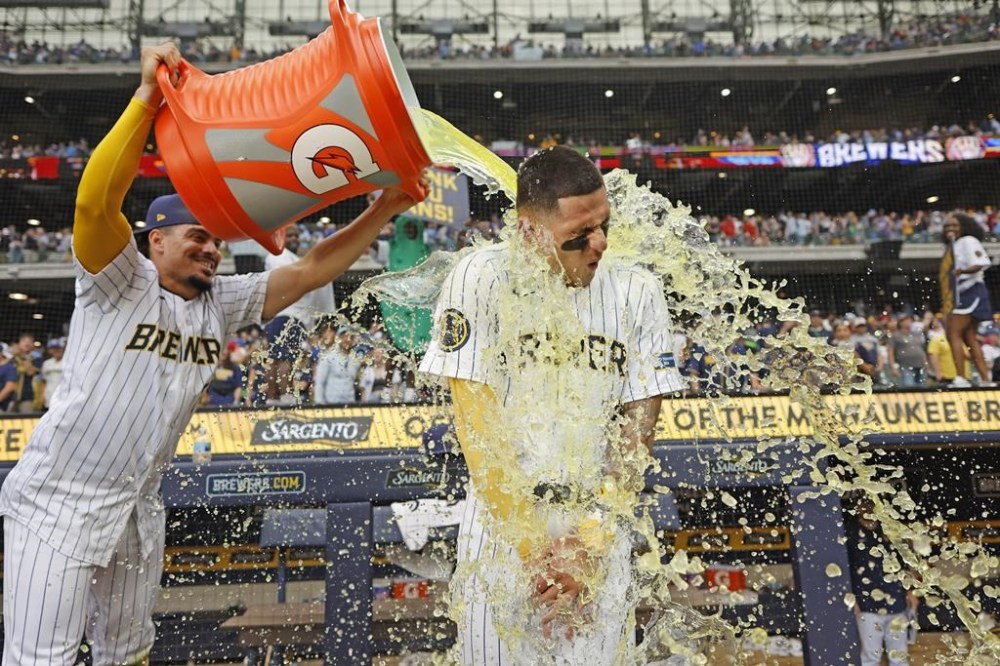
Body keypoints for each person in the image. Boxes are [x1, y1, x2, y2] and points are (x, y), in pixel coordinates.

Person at [0, 43, 425, 665]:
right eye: (196, 236)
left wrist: (386, 208)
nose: (210, 249)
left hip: (138, 507)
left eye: (215, 240)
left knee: (128, 653)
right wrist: (146, 99)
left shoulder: (219, 301)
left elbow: (308, 271)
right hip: (58, 503)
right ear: (156, 240)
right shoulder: (118, 279)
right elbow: (94, 204)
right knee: (43, 658)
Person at [419, 146, 683, 664]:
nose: (599, 244)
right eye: (578, 238)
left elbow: (636, 436)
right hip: (501, 526)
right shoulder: (479, 277)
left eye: (604, 225)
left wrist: (589, 546)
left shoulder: (639, 289)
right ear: (527, 232)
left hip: (597, 525)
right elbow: (478, 432)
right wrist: (534, 554)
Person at [262, 224, 336, 404]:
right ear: (282, 238)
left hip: (278, 317)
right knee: (285, 358)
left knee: (276, 359)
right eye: (291, 235)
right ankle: (286, 399)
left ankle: (273, 400)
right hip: (289, 316)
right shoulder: (278, 256)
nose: (294, 238)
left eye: (296, 236)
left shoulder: (297, 261)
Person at [847, 496, 920, 666]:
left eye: (872, 505)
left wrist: (910, 593)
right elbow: (847, 570)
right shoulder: (850, 533)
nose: (868, 509)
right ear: (859, 508)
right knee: (870, 657)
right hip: (867, 606)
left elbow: (903, 566)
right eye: (865, 505)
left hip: (896, 603)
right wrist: (853, 599)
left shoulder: (888, 531)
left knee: (899, 656)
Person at [940, 213, 994, 387]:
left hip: (970, 292)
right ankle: (986, 380)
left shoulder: (968, 240)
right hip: (959, 295)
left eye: (955, 225)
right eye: (947, 226)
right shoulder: (952, 246)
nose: (951, 229)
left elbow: (980, 263)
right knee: (969, 338)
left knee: (952, 333)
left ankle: (961, 378)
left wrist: (962, 272)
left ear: (964, 226)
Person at [887, 315, 927, 387]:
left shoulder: (916, 334)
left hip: (920, 365)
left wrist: (925, 362)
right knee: (908, 388)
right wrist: (893, 367)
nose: (909, 322)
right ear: (901, 323)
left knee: (922, 390)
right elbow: (890, 352)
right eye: (907, 320)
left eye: (910, 321)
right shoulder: (896, 335)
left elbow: (921, 349)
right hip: (905, 366)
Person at [39, 337, 67, 410]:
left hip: (64, 397)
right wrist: (42, 395)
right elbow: (43, 381)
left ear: (63, 349)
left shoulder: (68, 362)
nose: (55, 350)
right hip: (49, 396)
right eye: (53, 348)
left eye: (58, 348)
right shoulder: (46, 363)